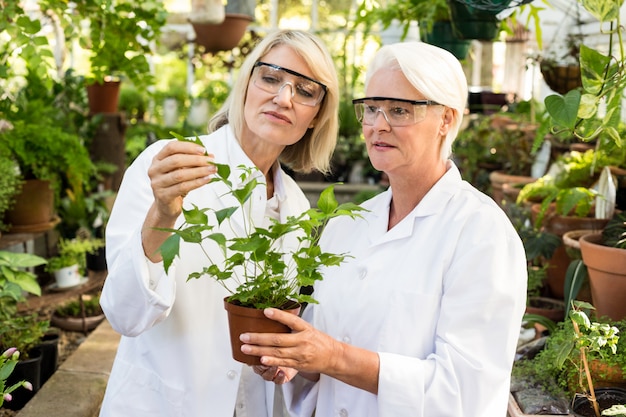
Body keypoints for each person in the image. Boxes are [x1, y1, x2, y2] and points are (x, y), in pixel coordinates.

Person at [240, 41, 528, 417]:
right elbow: (318, 351)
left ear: (447, 119)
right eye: (371, 108)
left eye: (400, 110)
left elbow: (466, 392)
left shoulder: (481, 235)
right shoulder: (349, 225)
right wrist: (293, 364)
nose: (378, 124)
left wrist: (335, 357)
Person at [98, 29, 339, 417]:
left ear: (316, 117)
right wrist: (162, 213)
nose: (283, 98)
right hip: (160, 404)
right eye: (271, 78)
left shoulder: (293, 203)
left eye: (306, 91)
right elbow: (125, 314)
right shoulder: (170, 165)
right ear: (246, 83)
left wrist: (281, 358)